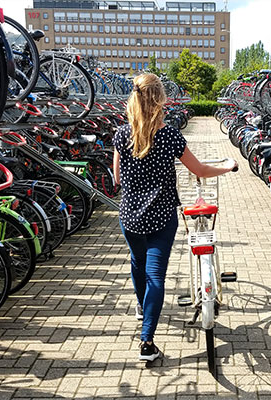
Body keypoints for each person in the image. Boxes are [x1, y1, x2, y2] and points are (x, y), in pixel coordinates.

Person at [112, 73, 237, 361]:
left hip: (130, 216)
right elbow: (201, 170)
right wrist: (228, 166)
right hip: (161, 216)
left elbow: (117, 177)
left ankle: (143, 309)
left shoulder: (121, 135)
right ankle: (146, 341)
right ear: (160, 99)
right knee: (156, 276)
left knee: (137, 263)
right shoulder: (169, 136)